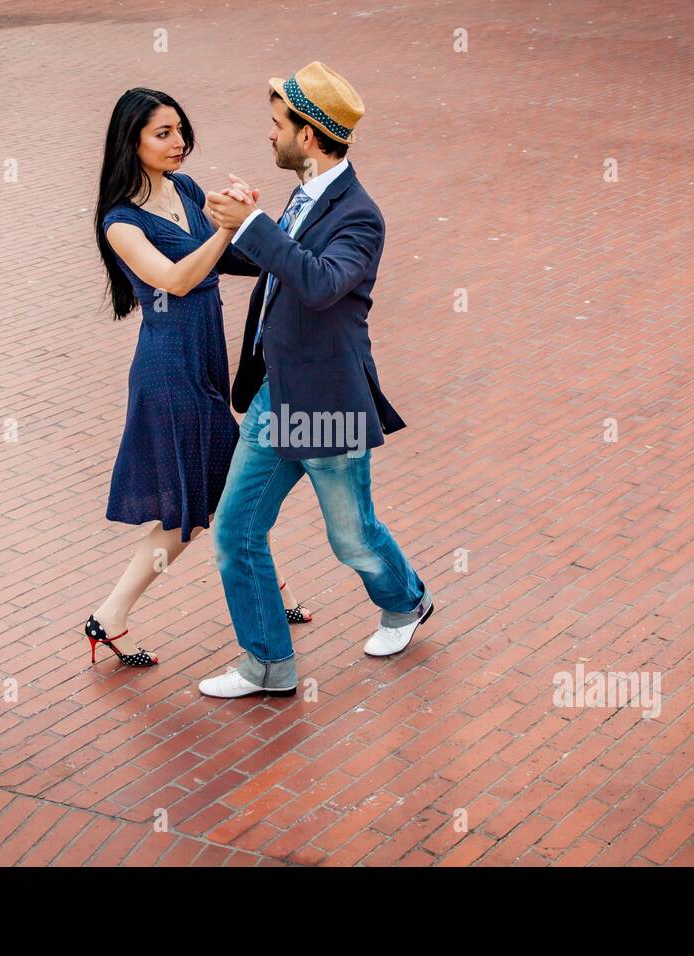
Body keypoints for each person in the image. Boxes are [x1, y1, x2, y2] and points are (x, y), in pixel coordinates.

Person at [196, 62, 434, 698]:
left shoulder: (361, 216)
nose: (268, 135)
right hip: (276, 398)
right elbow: (280, 264)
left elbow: (321, 282)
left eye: (277, 126)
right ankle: (267, 665)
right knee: (237, 531)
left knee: (351, 539)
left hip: (329, 404)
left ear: (309, 135)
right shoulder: (302, 199)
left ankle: (407, 603)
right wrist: (222, 224)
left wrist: (255, 226)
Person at [87, 88, 311, 669]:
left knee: (225, 493)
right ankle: (109, 615)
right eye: (163, 133)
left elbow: (229, 260)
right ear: (130, 141)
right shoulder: (121, 223)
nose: (178, 141)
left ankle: (268, 596)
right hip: (168, 372)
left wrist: (258, 228)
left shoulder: (185, 191)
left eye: (180, 129)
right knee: (198, 507)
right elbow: (177, 279)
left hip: (206, 362)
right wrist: (225, 230)